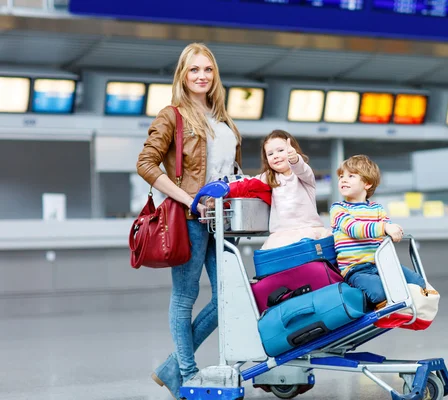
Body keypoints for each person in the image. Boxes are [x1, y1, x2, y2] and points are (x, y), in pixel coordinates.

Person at [136, 43, 242, 399]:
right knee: (185, 297)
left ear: (215, 76)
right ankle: (186, 372)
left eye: (208, 70)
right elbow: (146, 164)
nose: (202, 76)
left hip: (225, 221)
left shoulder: (224, 118)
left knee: (229, 295)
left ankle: (171, 368)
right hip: (190, 219)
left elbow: (229, 170)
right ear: (183, 74)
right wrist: (190, 201)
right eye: (194, 70)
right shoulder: (173, 115)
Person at [330, 155, 425, 308]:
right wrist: (384, 228)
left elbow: (389, 226)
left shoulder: (377, 208)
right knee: (379, 292)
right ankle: (385, 307)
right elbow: (354, 229)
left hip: (382, 265)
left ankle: (408, 307)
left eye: (351, 176)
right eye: (341, 176)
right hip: (356, 269)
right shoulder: (338, 208)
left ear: (367, 183)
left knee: (418, 283)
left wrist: (394, 229)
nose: (343, 179)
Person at [258, 129, 331, 250]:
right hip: (281, 237)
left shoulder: (304, 174)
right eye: (270, 154)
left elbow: (300, 167)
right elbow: (248, 183)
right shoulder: (268, 177)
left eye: (281, 150)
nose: (275, 156)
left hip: (309, 231)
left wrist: (294, 159)